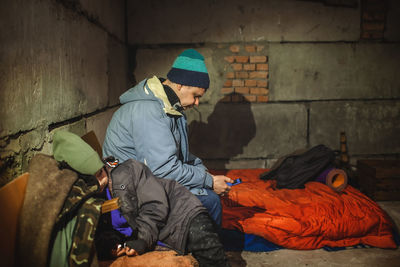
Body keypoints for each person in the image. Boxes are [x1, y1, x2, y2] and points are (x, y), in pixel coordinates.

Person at [53, 131, 230, 267]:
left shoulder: (127, 172)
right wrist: (111, 243)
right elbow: (105, 226)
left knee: (212, 254)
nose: (102, 179)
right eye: (94, 177)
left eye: (101, 172)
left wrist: (143, 240)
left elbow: (155, 205)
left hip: (180, 213)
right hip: (153, 231)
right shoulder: (86, 197)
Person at [103, 48, 233, 225]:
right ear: (180, 84)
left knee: (207, 194)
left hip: (147, 180)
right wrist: (208, 181)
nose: (197, 103)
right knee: (210, 202)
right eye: (195, 96)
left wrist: (203, 172)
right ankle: (208, 252)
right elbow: (163, 170)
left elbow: (181, 156)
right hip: (131, 192)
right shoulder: (149, 111)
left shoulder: (170, 107)